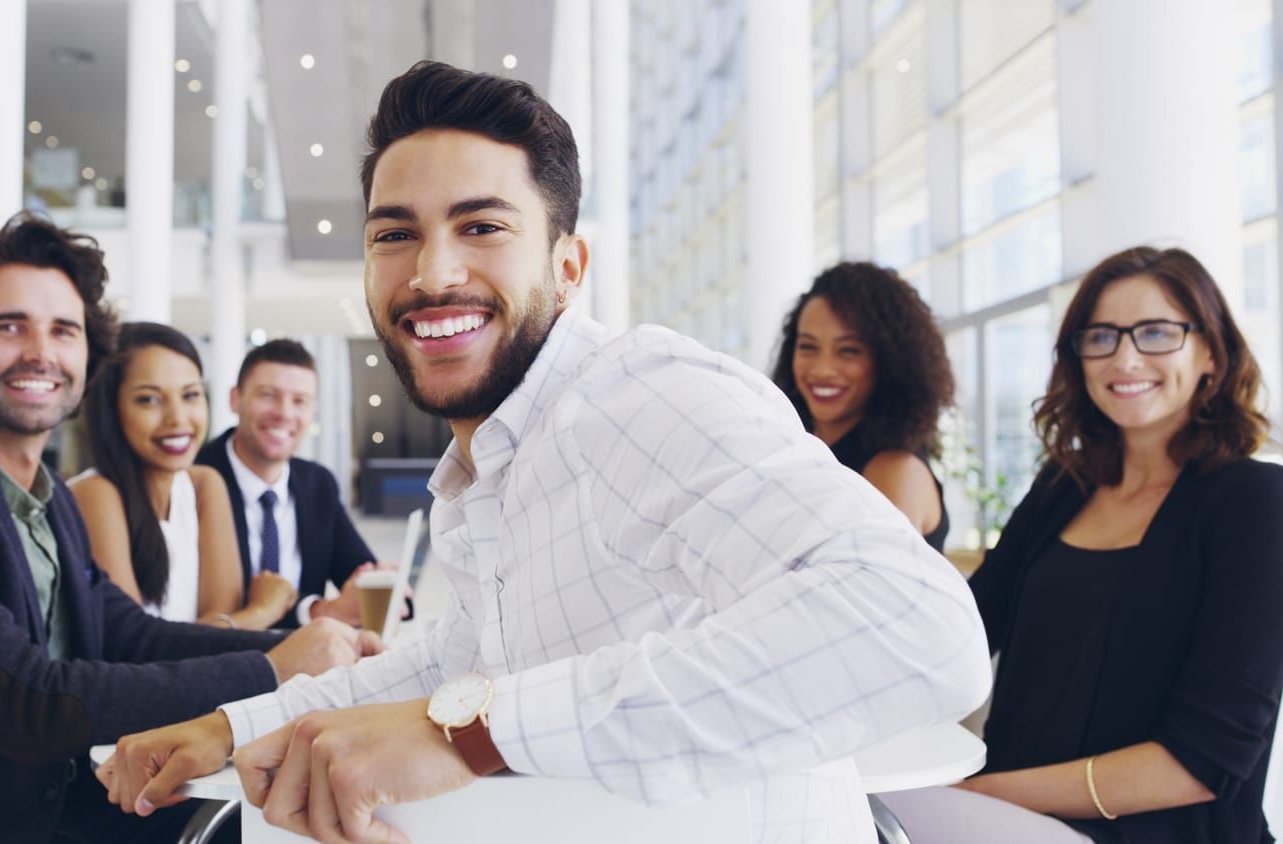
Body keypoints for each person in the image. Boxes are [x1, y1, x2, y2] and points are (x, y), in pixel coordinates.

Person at [99, 60, 990, 843]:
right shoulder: (494, 462)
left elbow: (917, 626)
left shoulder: (635, 394)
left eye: (482, 226)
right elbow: (454, 665)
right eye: (393, 233)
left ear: (568, 266)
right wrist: (230, 726)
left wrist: (470, 735)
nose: (431, 273)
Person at [0, 213, 379, 844]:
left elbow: (123, 632)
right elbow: (24, 701)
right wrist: (271, 671)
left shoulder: (39, 494)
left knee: (286, 814)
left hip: (15, 802)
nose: (41, 352)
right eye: (10, 326)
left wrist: (301, 647)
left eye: (64, 330)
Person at [882, 246, 1283, 843]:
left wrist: (979, 794)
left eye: (1155, 333)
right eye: (1100, 336)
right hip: (1000, 818)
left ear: (1210, 353)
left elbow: (1202, 764)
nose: (1124, 356)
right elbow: (963, 630)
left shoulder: (1257, 503)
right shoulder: (1061, 487)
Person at [72, 322, 296, 629]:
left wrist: (236, 623)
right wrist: (263, 611)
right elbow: (135, 649)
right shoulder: (95, 492)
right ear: (111, 410)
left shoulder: (204, 484)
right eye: (149, 399)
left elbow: (220, 632)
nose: (177, 418)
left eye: (190, 395)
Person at [194, 340, 394, 629]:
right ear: (235, 399)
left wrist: (379, 583)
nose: (285, 413)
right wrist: (316, 611)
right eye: (268, 395)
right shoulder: (196, 477)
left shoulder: (317, 484)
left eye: (299, 401)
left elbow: (359, 573)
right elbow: (217, 612)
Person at [770, 262, 955, 550]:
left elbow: (875, 592)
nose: (822, 370)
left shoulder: (895, 471)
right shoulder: (795, 447)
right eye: (808, 346)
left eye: (849, 351)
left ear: (888, 362)